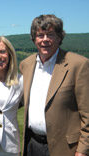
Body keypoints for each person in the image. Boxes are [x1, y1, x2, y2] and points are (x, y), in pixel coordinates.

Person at [19, 14, 89, 156]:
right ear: (34, 39)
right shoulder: (26, 65)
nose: (45, 40)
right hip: (32, 145)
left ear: (59, 37)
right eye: (40, 35)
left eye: (50, 34)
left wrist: (82, 151)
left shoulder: (78, 65)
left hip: (65, 149)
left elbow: (87, 114)